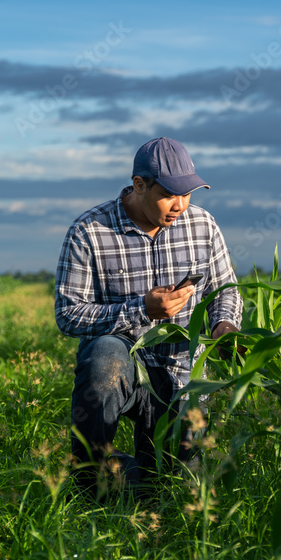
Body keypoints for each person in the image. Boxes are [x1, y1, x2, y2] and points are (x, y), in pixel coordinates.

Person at [54, 137, 243, 499]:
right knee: (103, 361)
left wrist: (224, 325)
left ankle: (124, 471)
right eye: (170, 194)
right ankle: (86, 486)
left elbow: (225, 291)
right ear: (139, 185)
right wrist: (141, 309)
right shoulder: (88, 232)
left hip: (181, 370)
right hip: (123, 356)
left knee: (171, 489)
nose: (181, 205)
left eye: (188, 193)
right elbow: (68, 314)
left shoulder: (203, 226)